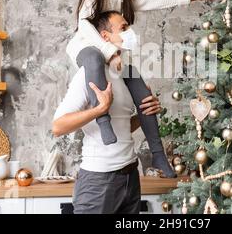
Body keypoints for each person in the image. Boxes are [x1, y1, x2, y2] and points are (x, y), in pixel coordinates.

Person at [66, 0, 218, 178]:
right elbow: (84, 28)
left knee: (142, 93)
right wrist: (110, 52)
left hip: (113, 54)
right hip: (87, 47)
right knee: (95, 60)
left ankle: (158, 154)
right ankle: (103, 121)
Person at [53, 11, 160, 214]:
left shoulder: (125, 74)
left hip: (130, 175)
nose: (130, 32)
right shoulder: (88, 74)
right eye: (123, 28)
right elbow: (58, 126)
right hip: (99, 180)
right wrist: (99, 109)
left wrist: (146, 112)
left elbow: (123, 127)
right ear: (105, 37)